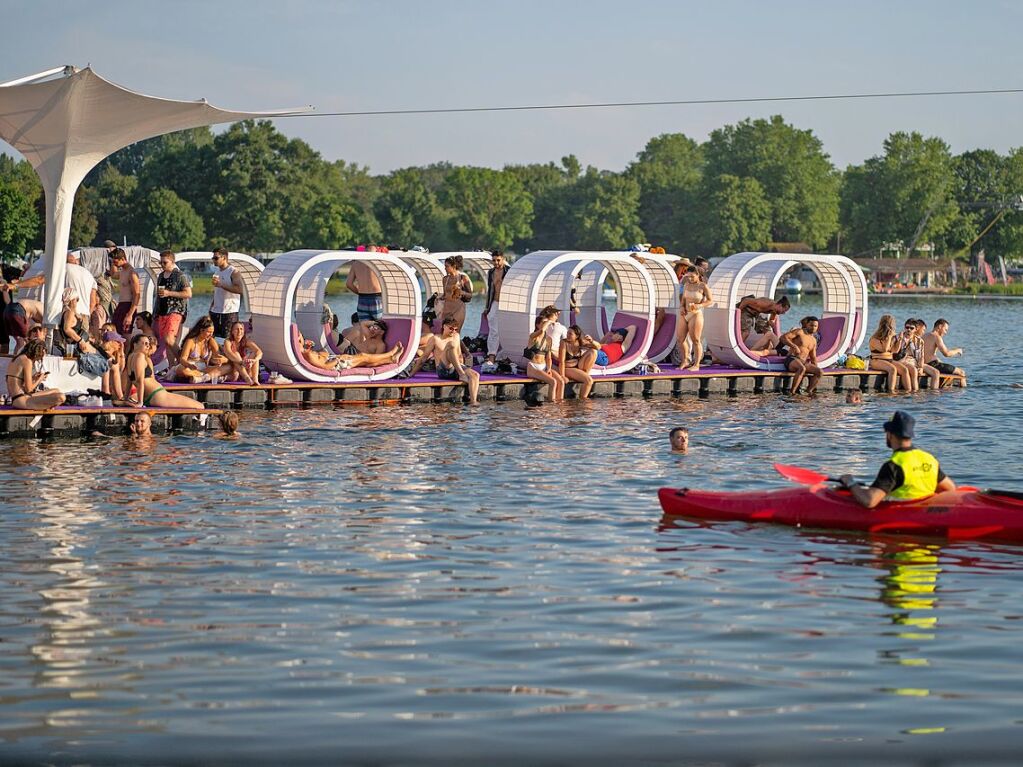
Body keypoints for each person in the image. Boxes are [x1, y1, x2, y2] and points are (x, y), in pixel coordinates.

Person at [839, 410, 956, 508]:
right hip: (924, 511)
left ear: (890, 434)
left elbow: (869, 501)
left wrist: (851, 482)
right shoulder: (929, 459)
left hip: (902, 513)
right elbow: (950, 489)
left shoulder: (893, 465)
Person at [404, 316, 481, 404]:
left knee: (475, 375)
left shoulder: (456, 336)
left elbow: (460, 351)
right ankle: (461, 374)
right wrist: (411, 374)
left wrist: (467, 355)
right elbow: (423, 358)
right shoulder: (435, 339)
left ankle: (473, 402)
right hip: (444, 370)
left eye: (455, 329)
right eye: (451, 328)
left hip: (458, 367)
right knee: (450, 345)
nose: (453, 331)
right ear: (444, 326)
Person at [123, 334, 204, 410]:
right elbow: (140, 381)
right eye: (144, 343)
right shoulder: (140, 356)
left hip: (148, 396)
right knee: (200, 406)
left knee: (198, 406)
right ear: (135, 344)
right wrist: (140, 403)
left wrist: (125, 399)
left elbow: (129, 382)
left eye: (148, 344)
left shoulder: (129, 357)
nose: (147, 346)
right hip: (156, 394)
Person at [153, 251, 192, 367]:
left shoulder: (180, 275)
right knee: (167, 342)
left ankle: (183, 362)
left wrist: (169, 293)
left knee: (169, 339)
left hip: (176, 310)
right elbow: (158, 297)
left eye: (165, 262)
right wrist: (155, 313)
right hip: (162, 311)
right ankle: (172, 368)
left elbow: (188, 293)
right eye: (161, 262)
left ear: (172, 262)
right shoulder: (160, 276)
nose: (162, 265)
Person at [5, 339, 64, 410]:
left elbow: (19, 384)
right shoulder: (27, 361)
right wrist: (40, 379)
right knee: (61, 397)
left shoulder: (16, 358)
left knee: (56, 391)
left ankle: (45, 406)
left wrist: (33, 379)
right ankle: (45, 406)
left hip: (17, 398)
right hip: (22, 400)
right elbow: (29, 389)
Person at [299, 332, 403, 372]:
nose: (303, 337)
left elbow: (320, 358)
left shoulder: (304, 352)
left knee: (366, 363)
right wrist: (337, 359)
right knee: (364, 356)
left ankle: (391, 359)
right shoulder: (306, 354)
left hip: (336, 360)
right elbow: (326, 367)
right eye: (300, 337)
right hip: (338, 364)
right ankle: (390, 354)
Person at [170, 316, 232, 383]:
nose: (211, 335)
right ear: (201, 330)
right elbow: (182, 359)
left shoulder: (211, 341)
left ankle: (201, 377)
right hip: (190, 367)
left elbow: (217, 357)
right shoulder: (191, 341)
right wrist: (189, 365)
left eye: (212, 332)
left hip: (204, 369)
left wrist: (224, 360)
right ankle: (205, 377)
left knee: (229, 367)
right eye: (209, 332)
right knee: (182, 370)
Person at [677, 266, 713, 370]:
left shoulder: (703, 286)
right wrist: (681, 307)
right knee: (680, 339)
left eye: (692, 277)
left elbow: (710, 300)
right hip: (685, 313)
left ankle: (696, 364)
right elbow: (683, 298)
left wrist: (699, 305)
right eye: (688, 276)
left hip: (696, 313)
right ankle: (685, 360)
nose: (690, 279)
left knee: (696, 340)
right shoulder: (687, 284)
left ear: (698, 275)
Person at [522, 314, 565, 402]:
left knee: (561, 381)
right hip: (533, 366)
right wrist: (549, 321)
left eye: (547, 323)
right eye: (544, 322)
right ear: (537, 325)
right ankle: (551, 403)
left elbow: (548, 357)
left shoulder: (548, 339)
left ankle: (560, 404)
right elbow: (542, 331)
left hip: (544, 366)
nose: (547, 324)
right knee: (553, 382)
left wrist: (549, 368)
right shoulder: (533, 336)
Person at [868, 314, 913, 393]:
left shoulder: (890, 337)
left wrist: (899, 340)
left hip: (889, 360)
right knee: (893, 369)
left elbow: (894, 351)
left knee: (904, 370)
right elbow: (885, 349)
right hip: (877, 360)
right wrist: (889, 336)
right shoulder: (875, 338)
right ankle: (891, 392)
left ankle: (908, 392)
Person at [780, 316, 823, 395]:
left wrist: (815, 369)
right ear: (806, 325)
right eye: (811, 325)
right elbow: (783, 338)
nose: (813, 328)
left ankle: (809, 391)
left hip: (803, 361)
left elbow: (813, 358)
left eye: (815, 326)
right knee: (802, 368)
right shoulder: (799, 332)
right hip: (791, 359)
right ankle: (792, 392)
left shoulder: (813, 340)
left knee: (819, 372)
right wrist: (794, 346)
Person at [209, 247, 243, 338]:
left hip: (229, 311)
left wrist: (221, 284)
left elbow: (240, 289)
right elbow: (217, 292)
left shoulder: (233, 272)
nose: (214, 260)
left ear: (224, 258)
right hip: (216, 311)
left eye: (216, 258)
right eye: (213, 258)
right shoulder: (217, 271)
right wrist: (211, 307)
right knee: (214, 338)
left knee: (228, 339)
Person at [901, 319, 941, 392]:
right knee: (914, 370)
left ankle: (934, 395)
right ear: (918, 328)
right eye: (923, 330)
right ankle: (915, 393)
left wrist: (921, 367)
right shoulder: (902, 338)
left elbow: (921, 357)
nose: (923, 332)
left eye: (911, 328)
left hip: (916, 363)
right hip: (906, 361)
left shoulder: (920, 341)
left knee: (936, 372)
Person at [558, 325, 596, 399]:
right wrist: (562, 376)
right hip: (567, 369)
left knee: (593, 352)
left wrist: (592, 341)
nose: (567, 335)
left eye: (570, 334)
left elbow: (598, 347)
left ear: (577, 336)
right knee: (589, 381)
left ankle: (583, 401)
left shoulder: (581, 342)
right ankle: (583, 400)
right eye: (567, 333)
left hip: (578, 367)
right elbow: (561, 361)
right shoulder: (564, 342)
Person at [483, 250, 509, 355]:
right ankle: (491, 354)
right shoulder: (491, 272)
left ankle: (504, 353)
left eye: (498, 260)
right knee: (493, 329)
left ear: (503, 259)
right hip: (494, 302)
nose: (496, 263)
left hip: (506, 304)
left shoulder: (509, 271)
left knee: (505, 329)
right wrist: (487, 307)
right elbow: (490, 290)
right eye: (494, 260)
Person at [923, 318, 965, 383]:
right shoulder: (936, 336)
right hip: (933, 365)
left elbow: (928, 353)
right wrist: (957, 350)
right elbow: (946, 353)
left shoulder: (924, 335)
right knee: (961, 372)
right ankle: (963, 392)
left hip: (925, 364)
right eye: (945, 330)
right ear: (940, 327)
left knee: (945, 367)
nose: (945, 333)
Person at [110, 248, 140, 335]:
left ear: (122, 259)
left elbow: (137, 295)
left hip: (128, 305)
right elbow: (113, 274)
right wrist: (112, 260)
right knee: (115, 331)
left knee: (125, 335)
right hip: (121, 304)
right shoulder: (122, 271)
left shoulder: (132, 273)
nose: (115, 264)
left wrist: (130, 314)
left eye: (116, 262)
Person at [222, 321, 263, 385]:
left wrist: (254, 360)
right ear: (232, 332)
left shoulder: (245, 341)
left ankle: (255, 380)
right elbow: (229, 353)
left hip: (244, 369)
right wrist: (242, 362)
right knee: (236, 354)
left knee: (255, 354)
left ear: (243, 332)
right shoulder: (228, 341)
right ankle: (247, 379)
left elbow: (259, 351)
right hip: (233, 370)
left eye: (241, 329)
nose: (239, 331)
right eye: (236, 329)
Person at [439, 255, 472, 331]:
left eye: (447, 266)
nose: (445, 268)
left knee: (455, 333)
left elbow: (470, 295)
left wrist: (462, 292)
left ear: (453, 266)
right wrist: (439, 298)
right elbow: (445, 295)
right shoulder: (445, 279)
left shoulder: (463, 278)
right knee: (444, 333)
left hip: (458, 309)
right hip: (447, 310)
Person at [55, 288, 88, 357]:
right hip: (74, 348)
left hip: (76, 347)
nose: (77, 302)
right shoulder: (69, 313)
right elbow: (67, 329)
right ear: (72, 300)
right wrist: (80, 340)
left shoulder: (71, 312)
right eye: (77, 299)